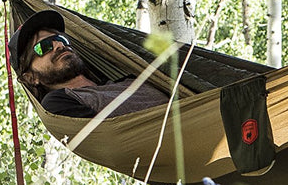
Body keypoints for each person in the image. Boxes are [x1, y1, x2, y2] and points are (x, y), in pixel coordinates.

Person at [10, 9, 170, 118]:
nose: (59, 46)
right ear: (31, 78)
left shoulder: (127, 78)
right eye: (44, 47)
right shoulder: (58, 102)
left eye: (61, 39)